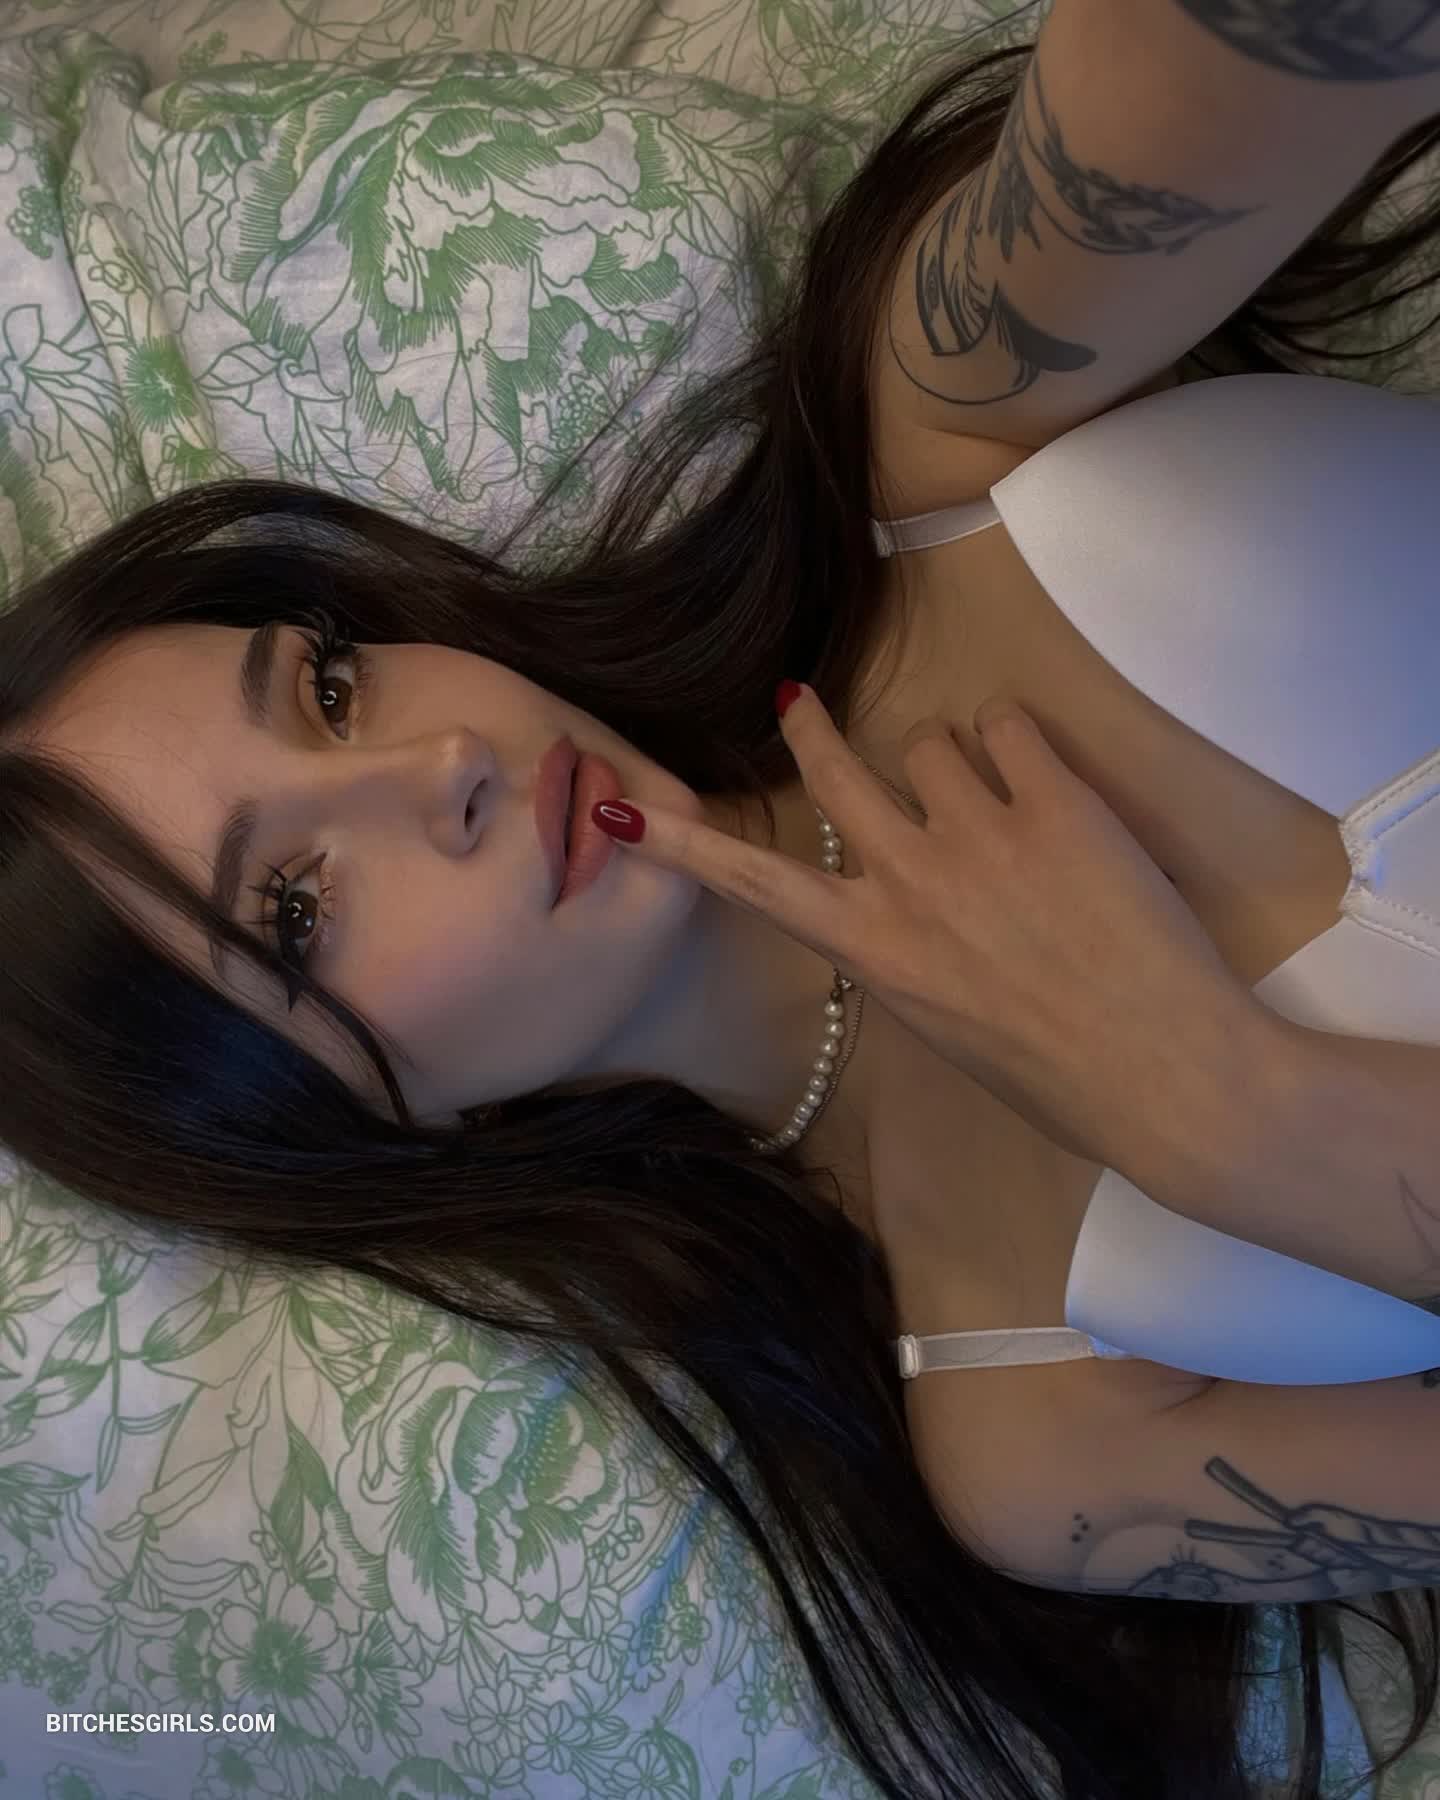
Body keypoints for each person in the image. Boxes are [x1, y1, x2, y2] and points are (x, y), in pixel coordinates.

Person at [5, 0, 1440, 1790]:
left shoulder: (940, 429)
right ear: (366, 1130)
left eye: (331, 686)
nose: (434, 767)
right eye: (293, 908)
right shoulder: (1045, 1439)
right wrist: (1222, 1115)